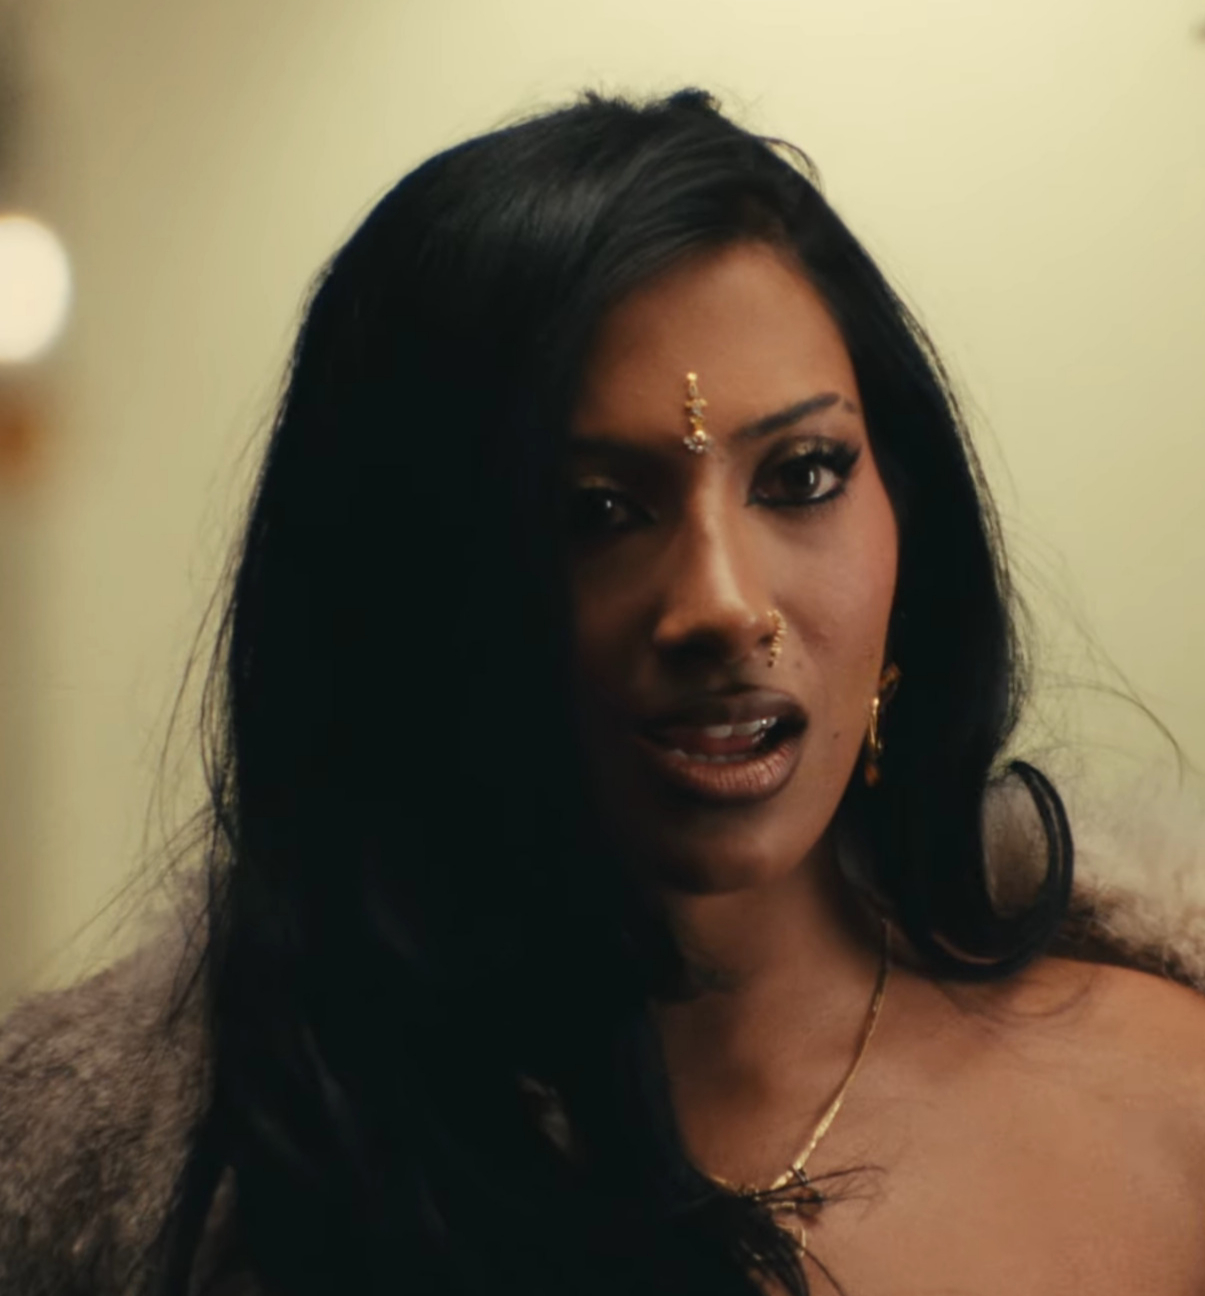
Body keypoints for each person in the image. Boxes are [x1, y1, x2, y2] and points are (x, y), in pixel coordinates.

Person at [2, 87, 1205, 1296]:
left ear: (910, 515)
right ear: (403, 591)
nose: (721, 605)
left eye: (800, 475)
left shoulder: (1166, 1105)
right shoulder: (162, 1205)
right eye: (595, 511)